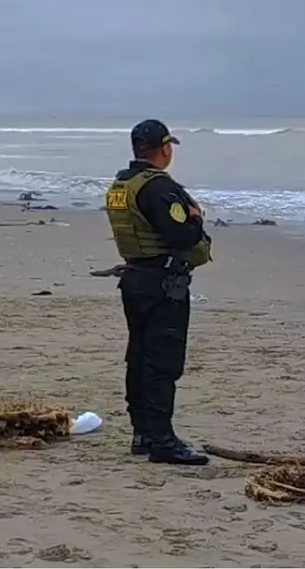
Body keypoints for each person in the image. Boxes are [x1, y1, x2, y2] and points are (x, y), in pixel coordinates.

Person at [103, 119, 214, 465]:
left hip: (136, 279)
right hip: (162, 283)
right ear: (164, 149)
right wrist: (195, 218)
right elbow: (181, 236)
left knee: (138, 357)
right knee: (162, 362)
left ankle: (143, 433)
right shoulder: (158, 188)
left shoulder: (122, 184)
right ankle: (163, 441)